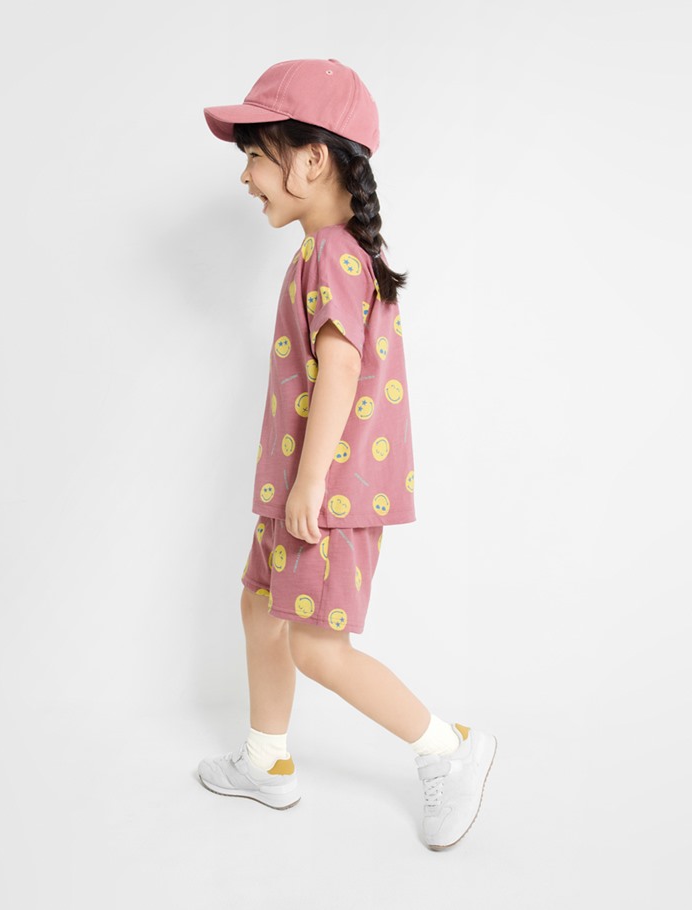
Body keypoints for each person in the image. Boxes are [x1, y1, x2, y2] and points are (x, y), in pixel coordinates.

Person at [197, 58, 496, 851]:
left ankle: (450, 749)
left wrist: (309, 484)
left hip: (322, 496)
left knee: (318, 647)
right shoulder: (329, 252)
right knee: (259, 607)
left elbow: (341, 367)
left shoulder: (333, 254)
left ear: (311, 159)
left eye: (255, 156)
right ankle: (268, 759)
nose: (247, 177)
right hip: (303, 492)